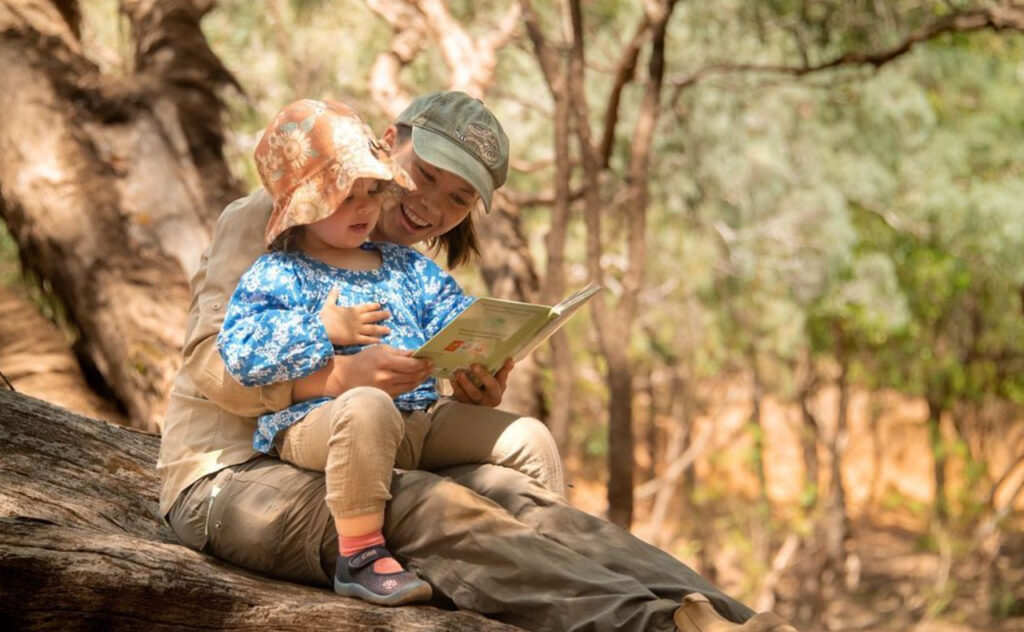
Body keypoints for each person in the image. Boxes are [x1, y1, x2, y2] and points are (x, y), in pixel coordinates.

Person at [158, 90, 795, 631]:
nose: (430, 205)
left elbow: (413, 383)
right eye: (425, 174)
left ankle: (723, 614)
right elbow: (214, 370)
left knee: (525, 492)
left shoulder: (406, 265)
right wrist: (337, 376)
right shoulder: (269, 224)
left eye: (457, 198)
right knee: (427, 506)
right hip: (232, 474)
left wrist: (473, 387)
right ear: (389, 143)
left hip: (369, 439)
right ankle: (650, 624)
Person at [216, 99, 558, 605]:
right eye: (345, 196)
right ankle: (360, 555)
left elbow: (455, 321)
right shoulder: (281, 269)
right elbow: (238, 350)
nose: (364, 209)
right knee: (367, 406)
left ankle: (553, 550)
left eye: (372, 192)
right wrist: (321, 331)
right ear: (303, 204)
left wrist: (480, 361)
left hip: (418, 421)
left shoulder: (406, 265)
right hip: (325, 423)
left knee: (527, 435)